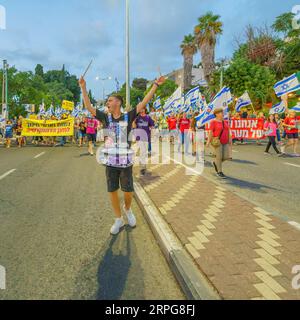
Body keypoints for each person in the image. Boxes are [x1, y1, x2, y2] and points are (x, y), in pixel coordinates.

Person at [79, 75, 166, 235]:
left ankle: (127, 209)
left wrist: (155, 85)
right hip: (110, 161)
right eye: (107, 102)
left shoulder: (129, 115)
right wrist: (83, 87)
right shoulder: (105, 117)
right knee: (112, 190)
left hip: (125, 161)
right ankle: (118, 219)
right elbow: (89, 107)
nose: (107, 103)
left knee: (127, 191)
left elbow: (144, 102)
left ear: (118, 102)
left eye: (110, 100)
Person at [207, 108, 232, 179]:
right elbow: (211, 132)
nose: (222, 114)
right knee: (219, 157)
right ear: (216, 114)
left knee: (226, 157)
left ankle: (215, 163)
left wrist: (230, 140)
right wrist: (208, 141)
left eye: (222, 112)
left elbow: (228, 131)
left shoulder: (225, 122)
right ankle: (219, 171)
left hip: (225, 141)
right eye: (221, 112)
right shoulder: (213, 122)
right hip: (217, 142)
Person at [134, 107, 155, 176]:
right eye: (141, 109)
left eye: (143, 109)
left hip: (146, 137)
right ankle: (142, 167)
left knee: (144, 152)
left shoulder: (148, 117)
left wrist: (152, 128)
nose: (142, 110)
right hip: (139, 137)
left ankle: (142, 164)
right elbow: (134, 126)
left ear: (145, 110)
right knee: (142, 151)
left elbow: (152, 125)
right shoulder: (137, 118)